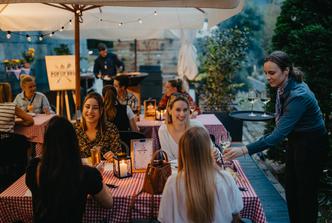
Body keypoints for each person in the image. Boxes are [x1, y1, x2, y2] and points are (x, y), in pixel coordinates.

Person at [223, 51, 329, 223]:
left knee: (306, 194)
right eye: (265, 73)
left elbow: (276, 136)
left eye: (271, 73)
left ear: (286, 71)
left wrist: (244, 150)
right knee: (292, 190)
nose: (267, 77)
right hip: (297, 140)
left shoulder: (298, 95)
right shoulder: (284, 86)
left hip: (312, 144)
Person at [26, 116, 113, 223]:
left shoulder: (33, 167)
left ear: (46, 141)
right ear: (74, 142)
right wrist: (97, 175)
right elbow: (108, 203)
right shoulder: (87, 174)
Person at [158, 126, 243, 223]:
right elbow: (236, 215)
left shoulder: (173, 182)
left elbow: (164, 219)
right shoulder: (226, 178)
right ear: (208, 150)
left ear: (182, 152)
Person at [158, 93, 220, 161]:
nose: (182, 114)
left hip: (199, 169)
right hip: (176, 171)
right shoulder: (163, 130)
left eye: (185, 110)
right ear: (169, 110)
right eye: (178, 110)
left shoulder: (197, 126)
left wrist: (215, 153)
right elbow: (169, 161)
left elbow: (212, 150)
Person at [0, 82, 34, 190]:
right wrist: (15, 122)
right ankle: (23, 172)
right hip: (7, 143)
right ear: (8, 93)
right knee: (24, 141)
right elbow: (30, 120)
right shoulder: (11, 107)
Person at [74, 92, 122, 158]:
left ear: (101, 111)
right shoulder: (74, 129)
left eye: (95, 108)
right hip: (81, 168)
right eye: (87, 107)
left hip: (105, 168)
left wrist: (114, 156)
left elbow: (119, 155)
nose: (90, 111)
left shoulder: (110, 129)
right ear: (83, 109)